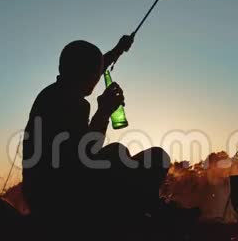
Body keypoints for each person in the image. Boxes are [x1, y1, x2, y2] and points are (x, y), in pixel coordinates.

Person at [22, 35, 170, 223]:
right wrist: (103, 112)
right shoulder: (68, 103)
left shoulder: (55, 93)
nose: (97, 77)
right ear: (86, 74)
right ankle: (147, 214)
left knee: (149, 157)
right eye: (94, 73)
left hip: (46, 194)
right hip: (57, 199)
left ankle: (150, 208)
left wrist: (117, 50)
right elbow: (85, 155)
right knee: (122, 154)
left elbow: (92, 68)